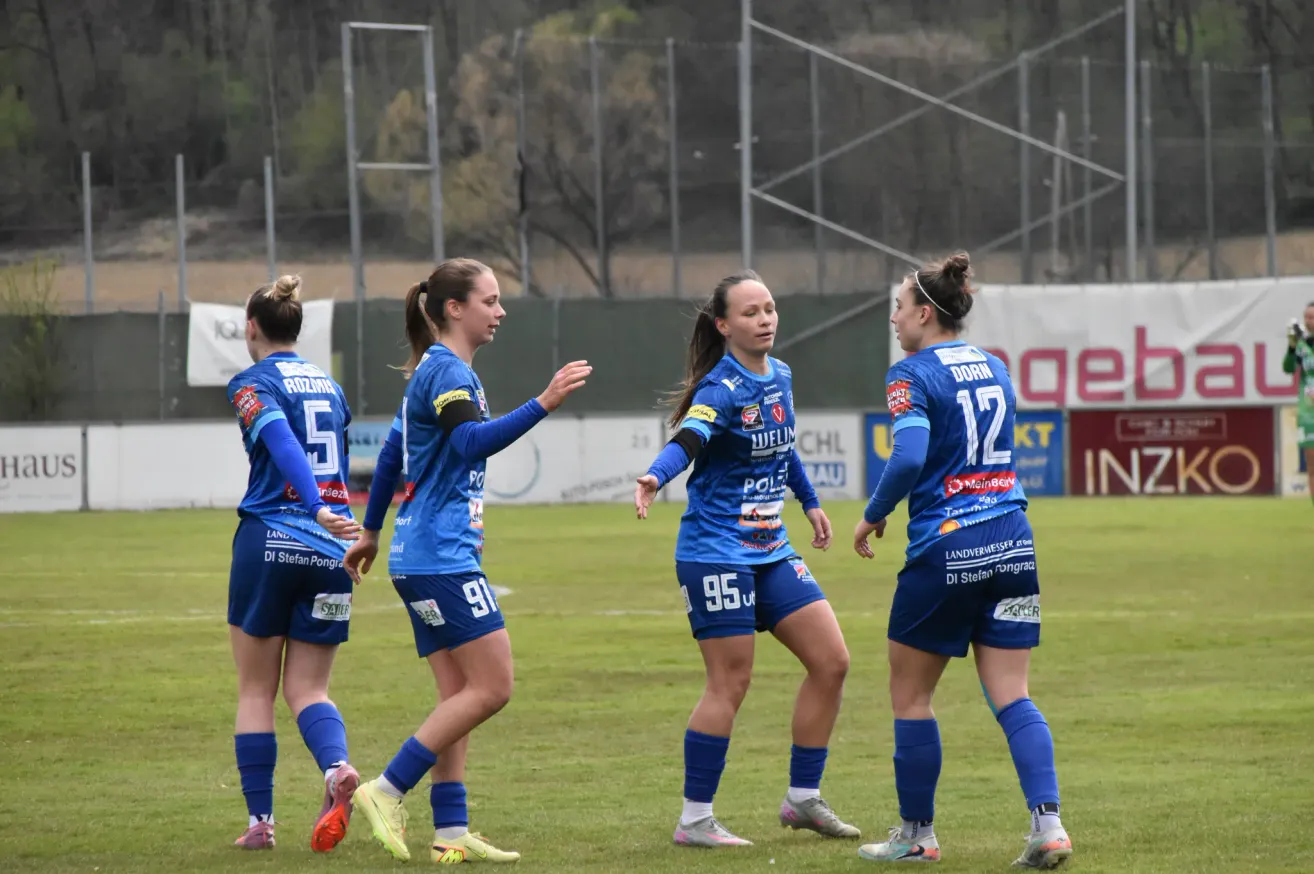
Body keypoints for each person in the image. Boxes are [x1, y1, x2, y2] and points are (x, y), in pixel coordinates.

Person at [343, 257, 591, 864]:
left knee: (458, 695)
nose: (500, 311)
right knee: (494, 685)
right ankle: (385, 789)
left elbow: (395, 456)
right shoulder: (447, 371)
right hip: (442, 559)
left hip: (422, 555)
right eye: (490, 300)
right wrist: (544, 402)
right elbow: (469, 441)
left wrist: (373, 531)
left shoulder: (429, 369)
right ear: (455, 309)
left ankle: (450, 832)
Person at [851, 252, 1072, 869]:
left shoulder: (910, 374)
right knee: (1013, 693)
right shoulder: (995, 367)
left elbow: (910, 456)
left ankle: (917, 836)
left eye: (898, 307)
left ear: (924, 312)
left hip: (947, 546)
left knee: (911, 696)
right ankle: (1048, 826)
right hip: (1013, 538)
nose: (893, 320)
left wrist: (872, 514)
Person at [635, 270, 859, 849]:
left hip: (770, 550)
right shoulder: (720, 387)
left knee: (832, 660)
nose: (765, 320)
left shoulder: (780, 375)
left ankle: (803, 798)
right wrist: (656, 478)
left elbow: (785, 448)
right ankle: (695, 820)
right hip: (715, 554)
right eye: (751, 312)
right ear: (724, 325)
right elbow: (691, 438)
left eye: (770, 309)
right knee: (730, 682)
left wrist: (809, 504)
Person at [225, 274, 364, 853]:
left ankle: (261, 823)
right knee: (310, 688)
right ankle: (335, 770)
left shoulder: (251, 382)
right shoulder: (331, 387)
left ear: (251, 328)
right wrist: (334, 514)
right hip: (334, 551)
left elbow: (282, 443)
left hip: (272, 540)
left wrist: (311, 505)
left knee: (257, 689)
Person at [1283, 302, 1314, 503]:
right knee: (1312, 465)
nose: (1309, 321)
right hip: (1308, 412)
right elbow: (1287, 368)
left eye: (1312, 317)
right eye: (1307, 317)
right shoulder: (1301, 344)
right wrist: (1291, 347)